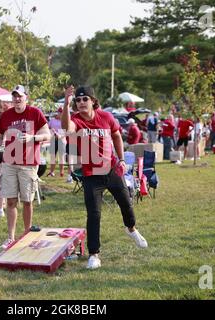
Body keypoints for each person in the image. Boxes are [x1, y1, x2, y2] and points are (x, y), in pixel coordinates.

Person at [61, 85, 148, 270]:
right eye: (78, 99)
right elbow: (66, 127)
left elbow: (116, 135)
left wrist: (122, 158)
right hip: (91, 174)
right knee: (94, 214)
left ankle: (131, 229)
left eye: (85, 99)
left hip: (111, 169)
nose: (81, 102)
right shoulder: (76, 119)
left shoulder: (106, 117)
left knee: (126, 202)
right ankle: (94, 254)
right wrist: (66, 105)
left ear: (93, 101)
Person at [0, 85, 51, 250]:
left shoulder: (35, 113)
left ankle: (27, 235)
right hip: (9, 163)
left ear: (26, 97)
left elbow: (48, 134)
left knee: (27, 201)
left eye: (20, 96)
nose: (17, 99)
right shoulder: (6, 116)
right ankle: (10, 238)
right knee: (10, 201)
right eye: (14, 96)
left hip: (28, 164)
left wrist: (33, 137)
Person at [48, 107, 66, 177]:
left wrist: (60, 136)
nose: (61, 114)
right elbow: (48, 128)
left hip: (62, 139)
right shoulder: (52, 120)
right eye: (60, 112)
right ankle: (52, 172)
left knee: (61, 156)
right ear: (58, 112)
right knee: (53, 156)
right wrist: (52, 131)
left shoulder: (64, 121)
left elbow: (66, 131)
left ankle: (62, 171)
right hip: (53, 139)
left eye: (62, 112)